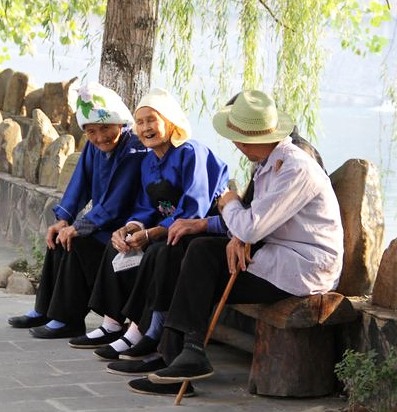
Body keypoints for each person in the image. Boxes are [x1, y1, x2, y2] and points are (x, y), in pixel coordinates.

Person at [126, 90, 344, 396]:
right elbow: (254, 220)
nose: (235, 146)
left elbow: (250, 225)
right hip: (273, 253)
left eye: (239, 139)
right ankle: (175, 354)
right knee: (190, 246)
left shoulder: (295, 167)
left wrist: (228, 202)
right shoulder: (268, 162)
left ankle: (185, 352)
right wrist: (231, 230)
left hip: (301, 268)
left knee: (202, 256)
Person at [67, 88, 230, 359]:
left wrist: (152, 233)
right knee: (118, 245)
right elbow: (145, 208)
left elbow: (194, 209)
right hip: (169, 227)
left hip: (198, 230)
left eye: (151, 121)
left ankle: (141, 331)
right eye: (140, 122)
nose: (145, 128)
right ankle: (113, 323)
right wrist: (131, 227)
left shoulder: (191, 153)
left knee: (156, 252)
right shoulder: (149, 161)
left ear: (169, 121)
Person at [7, 83, 147, 339]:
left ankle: (67, 318)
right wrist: (64, 219)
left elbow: (116, 202)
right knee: (57, 239)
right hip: (104, 224)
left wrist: (79, 227)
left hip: (126, 227)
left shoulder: (133, 150)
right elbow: (79, 185)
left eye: (105, 128)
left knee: (78, 241)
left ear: (120, 123)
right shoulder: (93, 149)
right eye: (91, 131)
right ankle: (46, 309)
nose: (100, 136)